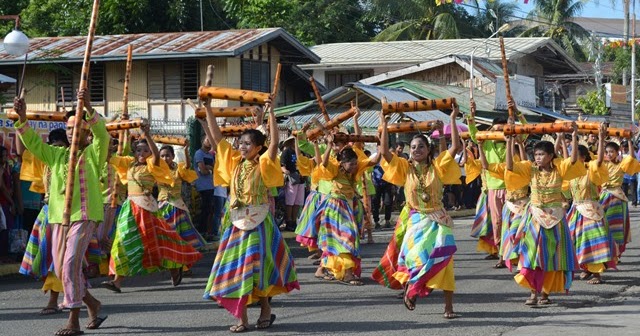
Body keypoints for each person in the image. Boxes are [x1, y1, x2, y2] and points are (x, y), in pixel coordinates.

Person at [14, 92, 108, 336]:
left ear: (87, 133)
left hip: (84, 215)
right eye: (67, 127)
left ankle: (73, 320)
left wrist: (87, 106)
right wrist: (22, 118)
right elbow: (33, 143)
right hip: (58, 218)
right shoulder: (56, 155)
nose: (70, 131)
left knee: (69, 264)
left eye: (76, 127)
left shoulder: (93, 154)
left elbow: (102, 135)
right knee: (67, 269)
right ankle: (93, 304)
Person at [202, 98, 298, 333]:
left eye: (248, 143)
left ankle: (265, 309)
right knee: (237, 269)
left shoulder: (264, 163)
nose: (243, 146)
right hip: (236, 223)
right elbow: (217, 138)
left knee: (257, 268)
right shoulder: (234, 163)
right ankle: (241, 318)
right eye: (241, 142)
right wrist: (207, 108)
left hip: (259, 223)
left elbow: (274, 143)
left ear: (258, 147)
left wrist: (272, 113)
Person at [374, 104, 461, 318]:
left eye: (420, 146)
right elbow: (384, 152)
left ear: (428, 149)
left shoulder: (438, 166)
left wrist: (452, 119)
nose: (416, 150)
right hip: (415, 220)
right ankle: (411, 289)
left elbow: (455, 148)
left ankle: (448, 307)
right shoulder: (405, 167)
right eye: (413, 147)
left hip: (438, 220)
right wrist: (383, 124)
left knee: (445, 260)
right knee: (414, 258)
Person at [105, 124, 202, 292]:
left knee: (154, 244)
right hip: (129, 209)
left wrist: (147, 135)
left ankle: (174, 267)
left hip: (146, 210)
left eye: (145, 151)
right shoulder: (128, 164)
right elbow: (109, 157)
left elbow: (157, 155)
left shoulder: (153, 165)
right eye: (138, 151)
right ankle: (116, 281)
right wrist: (106, 140)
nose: (141, 154)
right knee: (122, 241)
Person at [505, 124, 585, 305]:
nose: (538, 158)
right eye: (536, 155)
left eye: (541, 155)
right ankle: (533, 292)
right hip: (534, 218)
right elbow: (510, 166)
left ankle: (545, 293)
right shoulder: (530, 169)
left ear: (550, 156)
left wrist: (574, 135)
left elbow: (572, 160)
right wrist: (510, 141)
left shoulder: (559, 170)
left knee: (552, 257)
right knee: (533, 255)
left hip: (556, 218)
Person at [18, 128, 69, 316]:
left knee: (58, 259)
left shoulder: (72, 162)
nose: (56, 150)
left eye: (61, 146)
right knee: (47, 257)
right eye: (53, 146)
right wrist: (19, 121)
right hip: (47, 213)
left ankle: (56, 300)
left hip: (65, 216)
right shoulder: (45, 162)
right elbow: (22, 150)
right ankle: (77, 300)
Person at [567, 124, 614, 285]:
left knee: (594, 241)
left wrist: (601, 139)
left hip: (592, 211)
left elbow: (600, 160)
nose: (572, 158)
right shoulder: (570, 173)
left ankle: (597, 273)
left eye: (576, 156)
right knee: (575, 240)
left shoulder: (591, 169)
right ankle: (586, 268)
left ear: (583, 157)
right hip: (575, 211)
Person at [468, 99, 508, 263]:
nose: (499, 133)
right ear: (492, 130)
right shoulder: (487, 143)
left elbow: (524, 135)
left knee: (511, 222)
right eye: (496, 130)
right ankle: (500, 252)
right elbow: (473, 134)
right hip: (492, 188)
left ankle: (511, 253)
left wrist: (517, 114)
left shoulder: (511, 141)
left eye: (502, 130)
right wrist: (472, 115)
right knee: (497, 222)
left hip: (512, 188)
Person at [157, 144, 207, 249]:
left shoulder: (178, 169)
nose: (165, 158)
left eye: (167, 155)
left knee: (179, 231)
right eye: (162, 156)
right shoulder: (157, 169)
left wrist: (185, 152)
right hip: (162, 205)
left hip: (176, 206)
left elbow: (187, 167)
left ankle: (180, 251)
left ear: (173, 156)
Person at [600, 139, 640, 258]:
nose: (608, 154)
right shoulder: (602, 164)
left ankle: (616, 253)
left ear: (618, 152)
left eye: (611, 151)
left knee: (615, 226)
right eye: (607, 152)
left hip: (616, 198)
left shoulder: (621, 164)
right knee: (602, 226)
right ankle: (605, 251)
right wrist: (602, 138)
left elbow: (632, 158)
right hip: (603, 197)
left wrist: (629, 142)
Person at [280, 136, 305, 232]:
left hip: (301, 178)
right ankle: (289, 221)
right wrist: (286, 172)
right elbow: (282, 164)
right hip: (292, 178)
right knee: (290, 201)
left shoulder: (301, 152)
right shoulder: (287, 152)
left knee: (298, 201)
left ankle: (294, 220)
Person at [193, 136, 216, 240]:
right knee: (203, 209)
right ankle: (201, 232)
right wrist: (209, 169)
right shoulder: (199, 153)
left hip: (210, 186)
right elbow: (203, 170)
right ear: (202, 141)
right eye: (207, 139)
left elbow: (213, 168)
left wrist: (209, 169)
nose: (209, 142)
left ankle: (206, 232)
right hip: (202, 186)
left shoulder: (210, 155)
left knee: (209, 210)